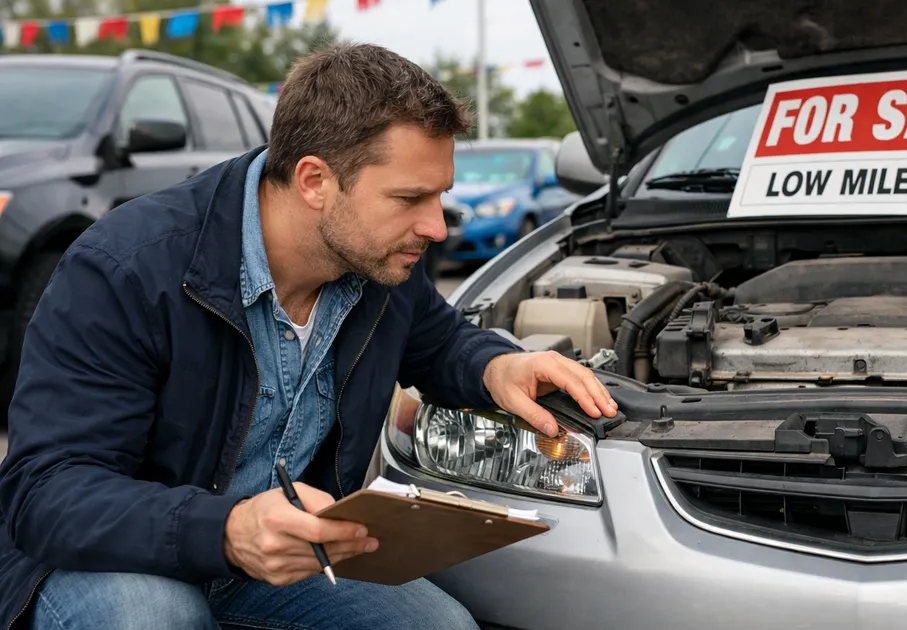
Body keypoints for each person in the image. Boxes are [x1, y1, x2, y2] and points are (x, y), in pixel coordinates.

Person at [0, 43, 618, 630]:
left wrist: (496, 368)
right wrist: (226, 530)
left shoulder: (383, 262)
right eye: (409, 198)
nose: (435, 225)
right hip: (119, 557)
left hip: (288, 553)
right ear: (315, 180)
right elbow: (47, 491)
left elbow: (441, 341)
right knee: (154, 618)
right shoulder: (125, 268)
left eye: (440, 195)